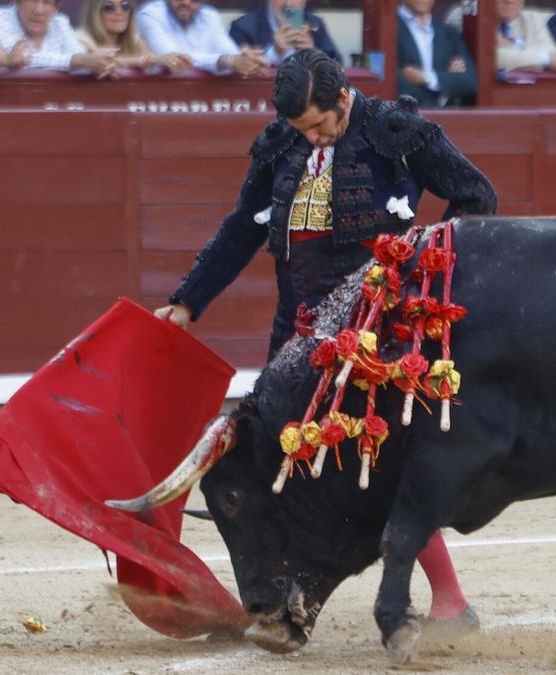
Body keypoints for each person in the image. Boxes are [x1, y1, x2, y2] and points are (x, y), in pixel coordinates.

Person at [154, 48, 495, 630]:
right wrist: (189, 300)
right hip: (299, 332)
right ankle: (288, 597)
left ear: (342, 98)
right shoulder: (280, 144)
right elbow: (243, 228)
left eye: (318, 124)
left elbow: (476, 197)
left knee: (375, 457)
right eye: (300, 128)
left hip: (372, 329)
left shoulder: (396, 131)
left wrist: (412, 263)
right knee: (292, 458)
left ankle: (449, 598)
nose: (310, 138)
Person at [0, 0, 117, 76]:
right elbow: (19, 59)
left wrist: (101, 65)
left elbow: (82, 59)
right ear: (16, 2)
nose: (39, 11)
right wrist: (78, 60)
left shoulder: (60, 22)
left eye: (47, 2)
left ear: (57, 7)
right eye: (33, 0)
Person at [137, 0, 267, 76]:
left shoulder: (209, 15)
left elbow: (229, 52)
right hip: (158, 100)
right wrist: (225, 60)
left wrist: (245, 59)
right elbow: (177, 59)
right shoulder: (150, 14)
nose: (186, 2)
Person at [397, 0, 477, 107]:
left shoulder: (449, 33)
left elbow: (470, 81)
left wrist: (427, 78)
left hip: (444, 119)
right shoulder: (388, 28)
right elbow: (394, 81)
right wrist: (447, 82)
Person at [78, 0, 193, 72]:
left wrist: (171, 59)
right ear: (95, 13)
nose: (119, 12)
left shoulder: (135, 38)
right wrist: (151, 60)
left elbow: (155, 60)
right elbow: (101, 61)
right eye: (109, 7)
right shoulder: (81, 38)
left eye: (125, 5)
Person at [229, 0, 339, 66]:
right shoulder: (243, 26)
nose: (288, 4)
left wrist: (313, 54)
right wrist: (275, 53)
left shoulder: (315, 23)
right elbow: (236, 69)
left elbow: (338, 65)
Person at [495, 0, 556, 73]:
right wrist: (545, 60)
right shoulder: (484, 24)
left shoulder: (532, 18)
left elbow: (554, 55)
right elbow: (494, 59)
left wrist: (512, 49)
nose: (509, 1)